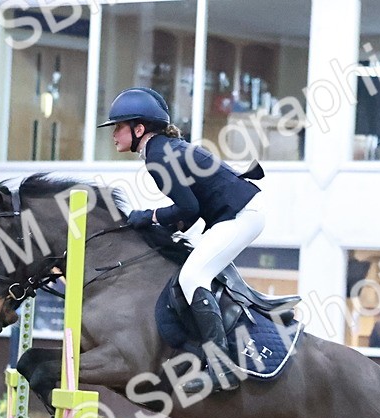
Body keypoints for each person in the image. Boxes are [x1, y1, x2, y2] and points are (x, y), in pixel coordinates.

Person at [100, 87, 266, 392]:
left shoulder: (158, 156)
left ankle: (223, 368)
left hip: (242, 215)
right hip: (233, 215)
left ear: (139, 129)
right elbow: (189, 213)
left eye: (118, 127)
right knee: (185, 272)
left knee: (192, 276)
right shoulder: (163, 148)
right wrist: (160, 224)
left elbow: (188, 208)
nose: (113, 135)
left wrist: (148, 216)